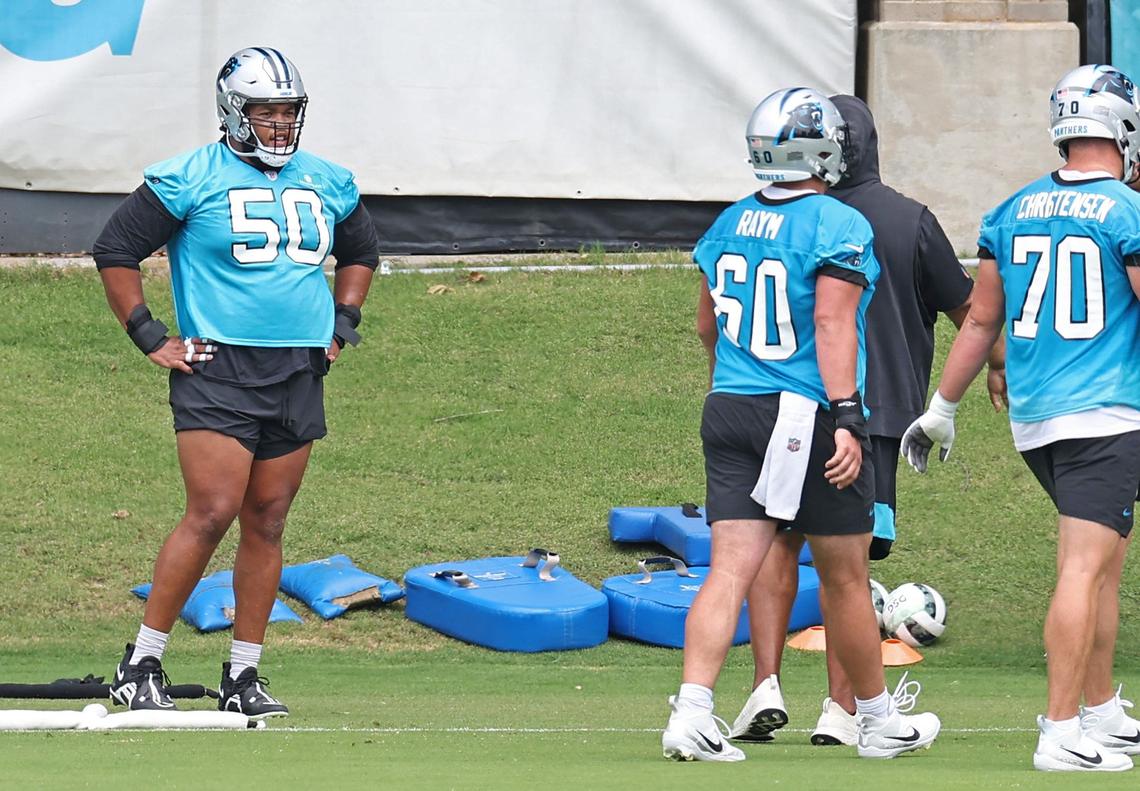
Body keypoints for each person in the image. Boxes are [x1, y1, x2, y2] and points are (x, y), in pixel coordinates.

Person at [92, 46, 380, 718]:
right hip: (219, 367)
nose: (280, 124)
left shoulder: (327, 178)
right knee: (212, 511)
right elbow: (115, 248)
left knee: (269, 520)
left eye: (289, 111)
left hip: (298, 369)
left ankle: (243, 674)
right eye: (266, 111)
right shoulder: (189, 175)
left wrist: (342, 323)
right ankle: (141, 664)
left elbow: (361, 250)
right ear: (233, 111)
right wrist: (149, 335)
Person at [660, 87, 940, 762]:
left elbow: (707, 326)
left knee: (729, 569)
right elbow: (831, 322)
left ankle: (691, 712)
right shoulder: (837, 223)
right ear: (822, 150)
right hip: (803, 411)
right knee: (845, 575)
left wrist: (733, 382)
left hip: (730, 404)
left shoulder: (728, 221)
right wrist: (846, 415)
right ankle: (875, 720)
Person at [729, 95, 1007, 747]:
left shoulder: (783, 215)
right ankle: (842, 707)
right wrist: (997, 365)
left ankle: (765, 683)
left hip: (782, 406)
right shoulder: (908, 220)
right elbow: (970, 309)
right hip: (871, 413)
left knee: (778, 543)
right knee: (846, 564)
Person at [901, 64, 1140, 773]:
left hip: (1037, 421)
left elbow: (980, 321)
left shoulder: (1011, 209)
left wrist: (942, 407)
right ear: (1121, 127)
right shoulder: (1125, 210)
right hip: (1104, 414)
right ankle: (1059, 729)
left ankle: (1099, 708)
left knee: (1101, 563)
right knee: (1084, 568)